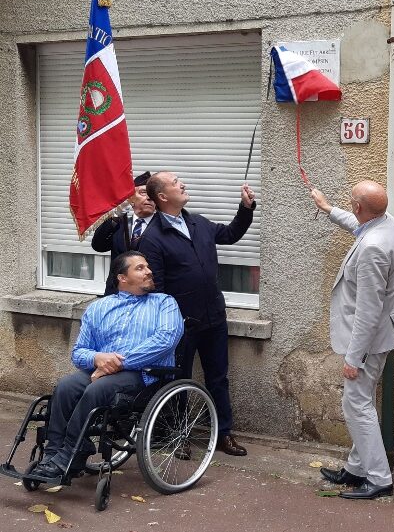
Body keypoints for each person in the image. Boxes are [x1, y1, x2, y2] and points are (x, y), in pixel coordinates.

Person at [32, 252, 183, 480]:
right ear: (122, 278)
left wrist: (117, 363)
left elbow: (165, 340)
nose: (149, 271)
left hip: (145, 375)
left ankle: (68, 457)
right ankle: (52, 455)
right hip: (101, 372)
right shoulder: (98, 308)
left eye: (147, 266)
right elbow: (79, 351)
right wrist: (98, 359)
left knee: (97, 389)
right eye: (140, 268)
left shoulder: (164, 303)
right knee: (66, 386)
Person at [138, 172, 256, 456]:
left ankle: (223, 434)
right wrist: (171, 322)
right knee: (178, 380)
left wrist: (246, 208)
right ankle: (179, 436)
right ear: (163, 197)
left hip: (213, 317)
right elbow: (157, 289)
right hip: (180, 324)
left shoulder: (197, 222)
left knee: (218, 378)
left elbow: (230, 234)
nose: (183, 184)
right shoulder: (152, 238)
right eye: (176, 182)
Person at [309, 181, 394, 500]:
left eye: (350, 201)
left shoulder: (373, 248)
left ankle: (378, 478)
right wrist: (328, 209)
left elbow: (368, 311)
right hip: (378, 336)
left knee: (356, 404)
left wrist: (354, 358)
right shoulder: (385, 222)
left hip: (369, 340)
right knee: (360, 401)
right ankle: (356, 468)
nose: (350, 205)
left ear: (359, 207)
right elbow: (359, 227)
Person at [91, 171, 155, 294]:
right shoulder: (120, 224)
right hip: (117, 294)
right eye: (143, 192)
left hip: (149, 295)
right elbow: (98, 246)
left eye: (152, 194)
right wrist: (115, 216)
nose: (149, 197)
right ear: (131, 199)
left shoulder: (163, 227)